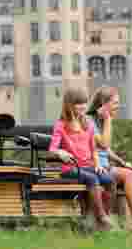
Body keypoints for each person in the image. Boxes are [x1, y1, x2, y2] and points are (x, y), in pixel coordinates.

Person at [48, 86, 115, 231]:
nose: (83, 106)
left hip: (88, 166)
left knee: (109, 179)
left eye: (85, 103)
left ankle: (105, 215)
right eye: (79, 103)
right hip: (70, 169)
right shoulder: (61, 125)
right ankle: (102, 218)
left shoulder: (88, 124)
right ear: (69, 105)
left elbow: (93, 149)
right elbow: (52, 149)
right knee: (92, 179)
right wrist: (60, 153)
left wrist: (97, 164)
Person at [87, 86, 132, 230]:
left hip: (105, 166)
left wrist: (122, 162)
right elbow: (104, 143)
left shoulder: (99, 121)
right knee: (129, 176)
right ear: (104, 104)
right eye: (115, 103)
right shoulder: (88, 121)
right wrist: (108, 120)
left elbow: (105, 149)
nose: (118, 106)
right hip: (94, 166)